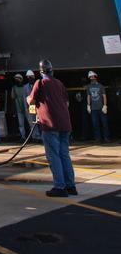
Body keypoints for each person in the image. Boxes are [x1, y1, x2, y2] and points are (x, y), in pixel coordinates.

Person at [28, 58, 77, 197]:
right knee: (64, 154)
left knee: (53, 155)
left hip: (50, 125)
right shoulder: (59, 83)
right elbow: (66, 103)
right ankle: (70, 186)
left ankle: (59, 187)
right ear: (52, 70)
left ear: (41, 71)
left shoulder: (40, 83)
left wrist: (28, 100)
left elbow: (31, 100)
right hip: (65, 124)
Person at [85, 71, 110, 143]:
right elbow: (88, 96)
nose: (91, 79)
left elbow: (104, 96)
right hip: (93, 109)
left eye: (92, 77)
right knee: (95, 124)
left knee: (104, 123)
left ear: (95, 77)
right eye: (90, 78)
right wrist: (88, 105)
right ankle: (98, 138)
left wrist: (105, 105)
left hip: (101, 108)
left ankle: (106, 137)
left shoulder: (101, 86)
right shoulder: (89, 87)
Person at [12, 73, 30, 140]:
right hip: (19, 108)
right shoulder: (14, 87)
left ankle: (33, 136)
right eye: (15, 78)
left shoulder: (25, 87)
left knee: (30, 123)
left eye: (17, 78)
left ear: (21, 79)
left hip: (27, 108)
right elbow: (12, 97)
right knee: (21, 124)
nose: (16, 79)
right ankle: (23, 137)